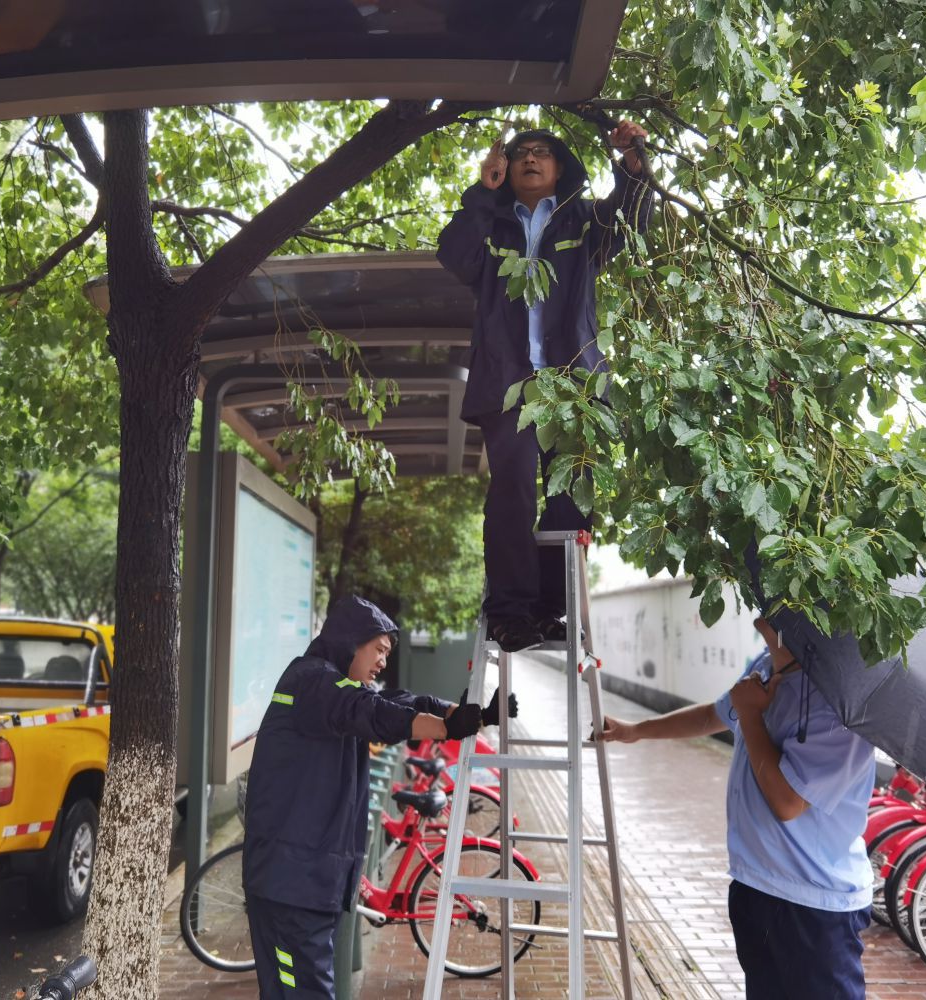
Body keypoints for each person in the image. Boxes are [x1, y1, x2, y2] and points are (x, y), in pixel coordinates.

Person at [437, 122, 654, 652]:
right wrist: (482, 192)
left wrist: (633, 161)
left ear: (560, 167)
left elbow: (632, 222)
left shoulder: (583, 219)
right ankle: (509, 613)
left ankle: (547, 608)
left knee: (572, 498)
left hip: (573, 386)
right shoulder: (492, 223)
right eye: (520, 154)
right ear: (506, 168)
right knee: (512, 490)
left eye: (542, 152)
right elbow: (455, 256)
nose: (530, 159)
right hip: (507, 383)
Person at [241, 595, 514, 998]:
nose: (383, 662)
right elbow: (372, 712)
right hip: (292, 881)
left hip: (305, 878)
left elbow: (396, 702)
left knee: (299, 987)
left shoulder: (333, 686)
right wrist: (447, 727)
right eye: (380, 649)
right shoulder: (314, 682)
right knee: (302, 989)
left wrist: (468, 714)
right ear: (351, 640)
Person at [600, 618, 875, 1000]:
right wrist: (636, 731)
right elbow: (713, 716)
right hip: (756, 885)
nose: (764, 593)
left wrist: (750, 714)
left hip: (812, 905)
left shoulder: (836, 703)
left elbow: (786, 803)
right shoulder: (766, 665)